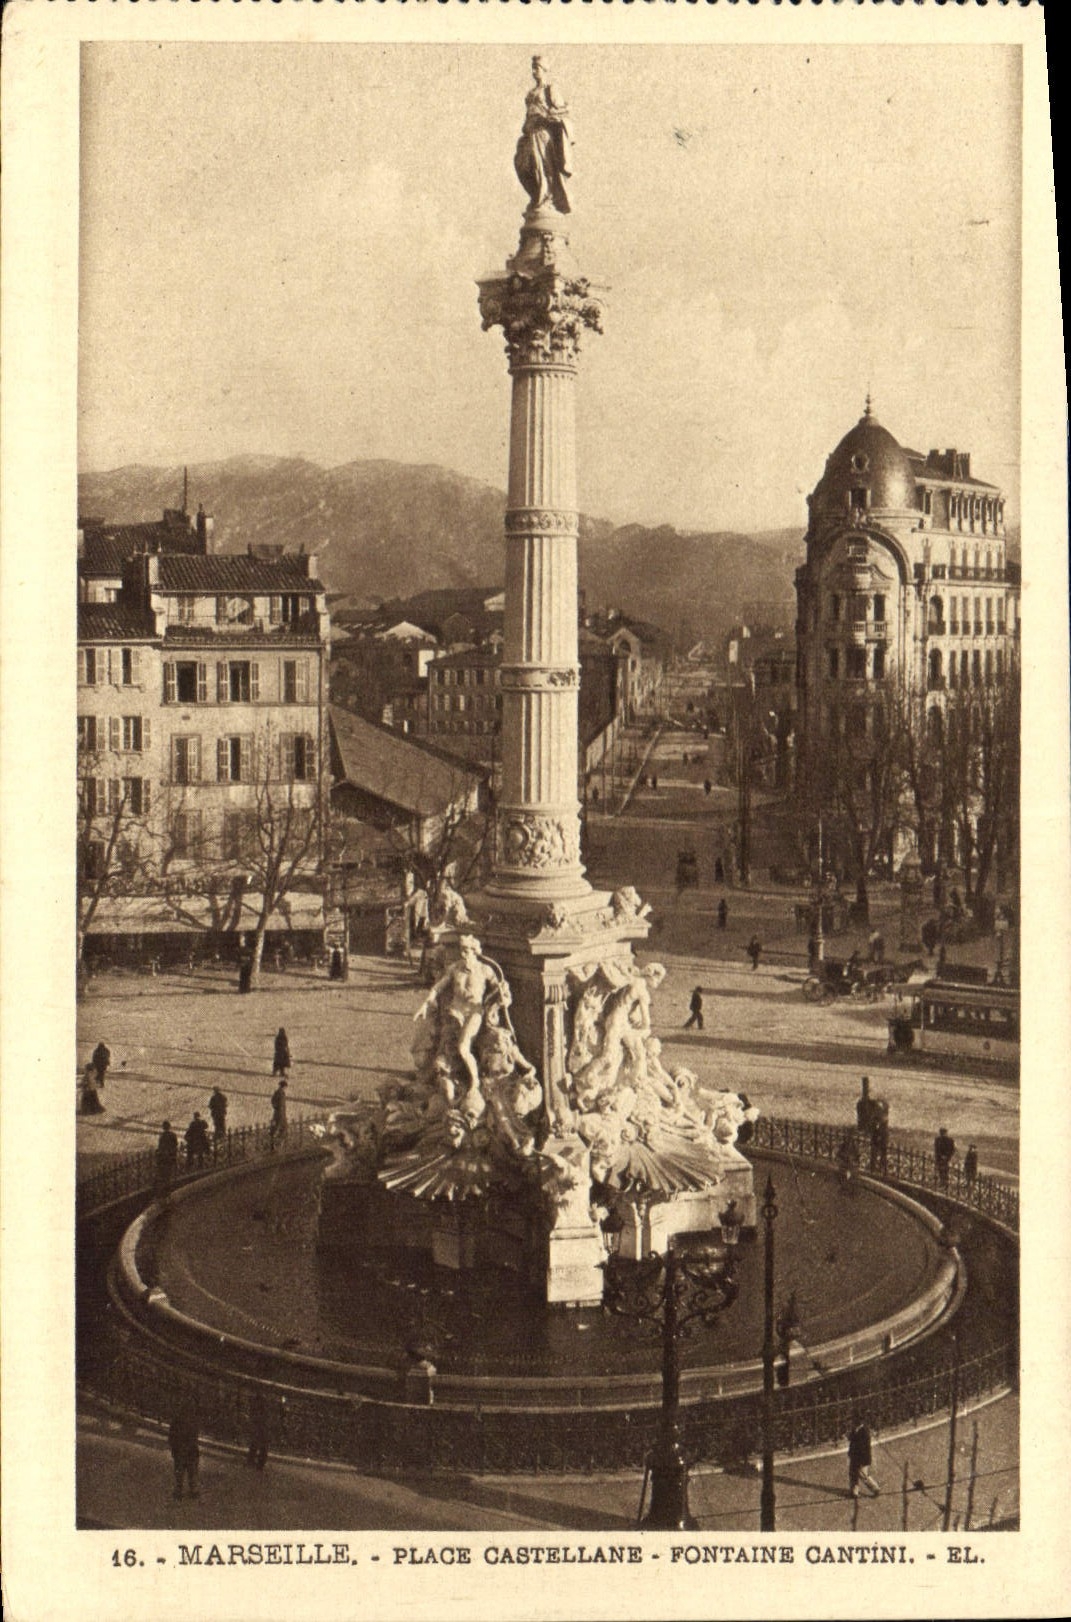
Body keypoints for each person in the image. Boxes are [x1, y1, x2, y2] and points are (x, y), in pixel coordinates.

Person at [514, 56, 573, 216]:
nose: (534, 71)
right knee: (523, 164)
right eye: (533, 68)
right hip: (530, 132)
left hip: (543, 134)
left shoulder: (550, 89)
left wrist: (549, 116)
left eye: (537, 68)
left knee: (542, 165)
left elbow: (562, 110)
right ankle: (537, 196)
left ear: (544, 69)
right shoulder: (531, 93)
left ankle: (545, 199)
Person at [168, 1402, 200, 1501]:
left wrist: (173, 1448)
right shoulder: (193, 1421)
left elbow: (171, 1435)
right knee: (191, 1472)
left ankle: (179, 1491)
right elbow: (194, 1437)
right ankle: (192, 1490)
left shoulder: (177, 1421)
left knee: (180, 1472)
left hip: (180, 1450)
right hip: (190, 1451)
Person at [847, 1420, 880, 1498]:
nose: (851, 1423)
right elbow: (851, 1440)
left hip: (862, 1458)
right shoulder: (855, 1430)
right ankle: (854, 1492)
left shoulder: (864, 1432)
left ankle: (875, 1488)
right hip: (854, 1456)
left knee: (863, 1474)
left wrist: (861, 1460)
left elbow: (863, 1448)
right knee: (853, 1473)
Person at [246, 1390, 272, 1471]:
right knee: (260, 1443)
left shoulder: (257, 1402)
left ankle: (255, 1461)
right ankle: (258, 1462)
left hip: (260, 1424)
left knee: (257, 1443)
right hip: (261, 1424)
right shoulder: (262, 1402)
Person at [154, 1121, 179, 1191]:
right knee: (170, 1171)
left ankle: (165, 1186)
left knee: (163, 1172)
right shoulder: (173, 1135)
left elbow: (160, 1146)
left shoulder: (162, 1136)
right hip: (171, 1155)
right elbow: (176, 1144)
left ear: (163, 1127)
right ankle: (169, 1185)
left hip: (163, 1156)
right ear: (169, 1127)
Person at [269, 1079, 288, 1150]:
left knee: (281, 1128)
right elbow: (274, 1102)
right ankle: (276, 1144)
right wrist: (278, 1108)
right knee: (281, 1128)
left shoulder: (278, 1092)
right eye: (285, 1087)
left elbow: (273, 1101)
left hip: (279, 1113)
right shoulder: (280, 1093)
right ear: (283, 1086)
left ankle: (277, 1143)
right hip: (280, 1114)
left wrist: (276, 1107)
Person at [208, 1086, 228, 1152]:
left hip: (216, 1114)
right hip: (221, 1113)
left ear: (215, 1091)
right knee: (222, 1123)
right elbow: (226, 1104)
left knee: (217, 1124)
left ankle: (218, 1134)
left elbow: (210, 1105)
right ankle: (223, 1133)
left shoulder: (213, 1098)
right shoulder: (223, 1097)